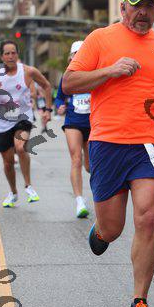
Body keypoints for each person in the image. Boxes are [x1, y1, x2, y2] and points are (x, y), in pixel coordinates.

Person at [62, 0, 154, 307]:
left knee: (148, 218)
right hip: (108, 143)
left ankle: (140, 301)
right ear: (123, 7)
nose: (143, 12)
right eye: (137, 6)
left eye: (150, 6)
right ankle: (102, 231)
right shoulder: (100, 39)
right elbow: (69, 83)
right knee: (113, 228)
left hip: (151, 144)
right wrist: (110, 70)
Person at [0, 40, 53, 207]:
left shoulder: (28, 71)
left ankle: (28, 186)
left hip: (23, 117)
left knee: (21, 147)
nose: (10, 56)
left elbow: (47, 86)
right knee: (8, 162)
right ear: (1, 56)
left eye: (13, 53)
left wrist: (48, 109)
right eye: (7, 53)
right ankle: (13, 192)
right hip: (3, 122)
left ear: (17, 54)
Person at [55, 40, 91, 219]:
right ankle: (79, 201)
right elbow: (59, 98)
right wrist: (60, 106)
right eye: (75, 54)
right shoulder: (67, 77)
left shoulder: (93, 74)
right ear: (71, 57)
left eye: (81, 53)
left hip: (92, 123)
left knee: (90, 166)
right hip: (73, 121)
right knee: (76, 159)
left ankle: (99, 197)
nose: (78, 57)